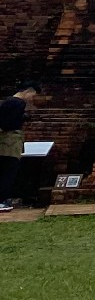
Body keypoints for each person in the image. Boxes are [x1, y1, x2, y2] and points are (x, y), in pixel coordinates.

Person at [0, 86, 38, 214]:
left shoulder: (7, 101)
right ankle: (1, 200)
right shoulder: (18, 103)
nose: (32, 98)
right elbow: (9, 123)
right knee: (8, 171)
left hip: (4, 141)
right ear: (28, 91)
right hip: (10, 141)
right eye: (33, 95)